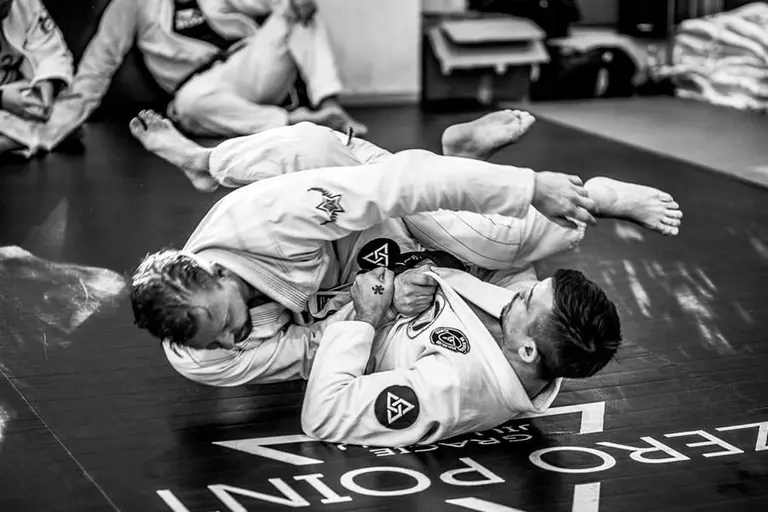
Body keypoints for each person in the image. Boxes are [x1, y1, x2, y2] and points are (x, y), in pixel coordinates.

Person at [128, 109, 682, 390]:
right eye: (217, 339)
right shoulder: (202, 356)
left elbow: (399, 186)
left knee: (494, 239)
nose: (232, 336)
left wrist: (531, 185)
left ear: (213, 270)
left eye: (227, 318)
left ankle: (600, 196)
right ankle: (462, 153)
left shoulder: (268, 223)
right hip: (346, 261)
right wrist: (379, 306)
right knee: (495, 281)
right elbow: (311, 350)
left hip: (350, 181)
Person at [41, 0, 365, 151]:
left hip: (247, 66)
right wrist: (55, 128)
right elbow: (99, 65)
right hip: (199, 89)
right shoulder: (130, 5)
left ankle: (330, 105)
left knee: (296, 12)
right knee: (190, 104)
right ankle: (294, 121)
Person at [0, 0, 74, 157]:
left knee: (71, 115)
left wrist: (47, 82)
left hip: (19, 97)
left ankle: (15, 140)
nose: (6, 4)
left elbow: (52, 52)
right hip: (5, 99)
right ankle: (29, 139)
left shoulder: (25, 3)